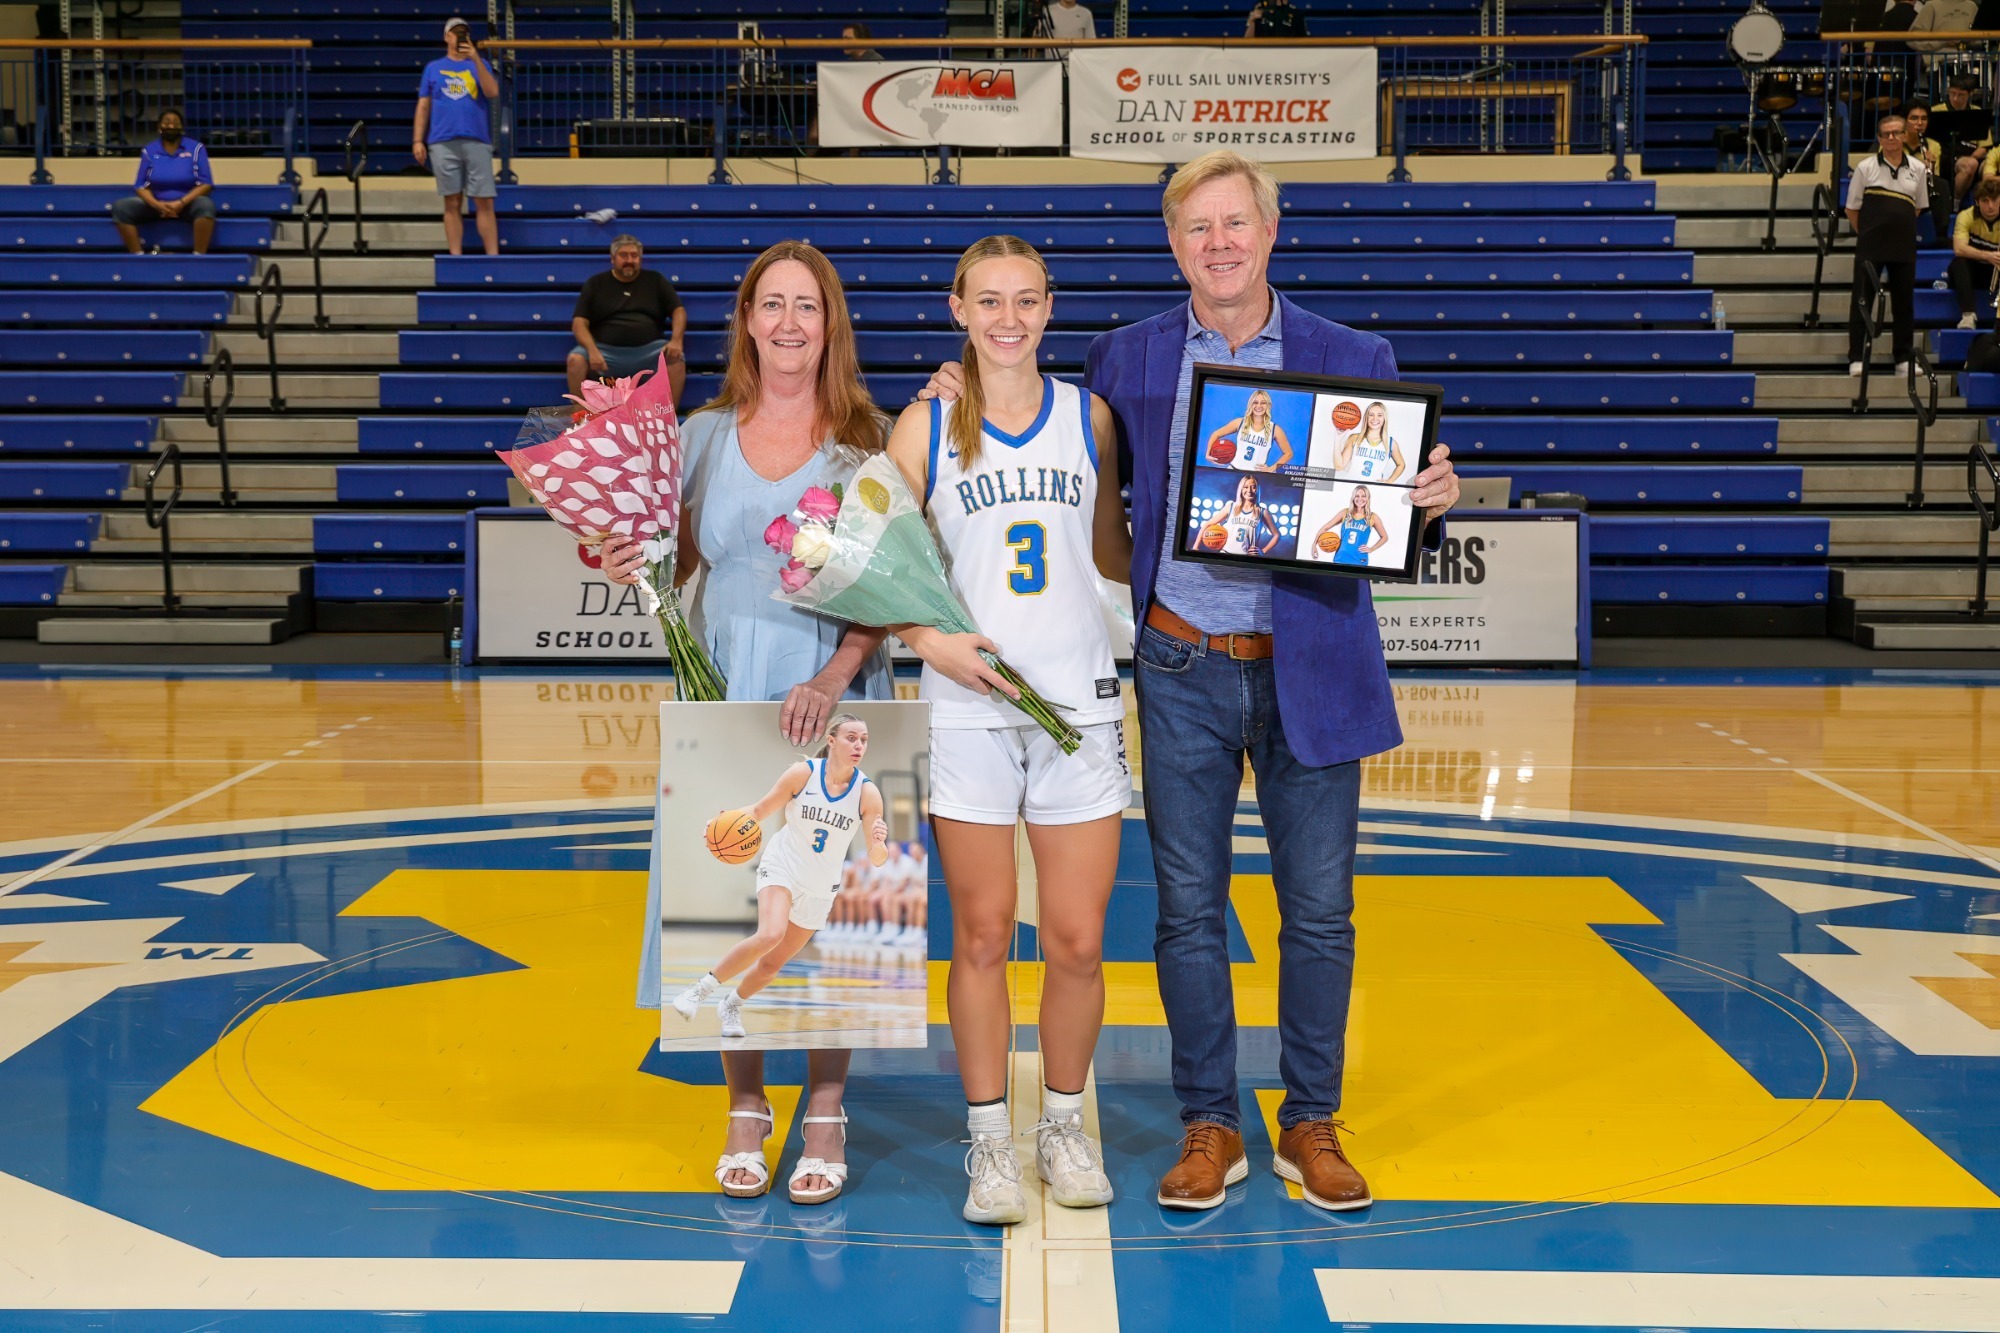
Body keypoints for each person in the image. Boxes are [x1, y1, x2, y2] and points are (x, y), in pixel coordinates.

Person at [919, 149, 1461, 1216]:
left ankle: (1309, 1116)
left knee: (1316, 912)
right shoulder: (1124, 357)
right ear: (1172, 244)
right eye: (1194, 228)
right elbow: (1042, 426)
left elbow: (1381, 509)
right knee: (1184, 913)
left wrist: (1426, 496)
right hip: (1177, 665)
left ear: (1269, 231)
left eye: (1233, 223)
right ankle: (1207, 1117)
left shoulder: (1352, 353)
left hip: (1310, 665)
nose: (1216, 243)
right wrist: (955, 385)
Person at [600, 240, 896, 1207]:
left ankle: (825, 1108)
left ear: (830, 323)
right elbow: (673, 562)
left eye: (806, 306)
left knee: (830, 907)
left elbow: (889, 590)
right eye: (770, 305)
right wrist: (624, 565)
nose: (787, 324)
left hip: (830, 690)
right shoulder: (702, 434)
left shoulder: (866, 442)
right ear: (745, 321)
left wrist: (840, 670)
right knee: (723, 893)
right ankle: (744, 1105)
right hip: (722, 686)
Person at [884, 234, 1132, 1227]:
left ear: (1048, 305)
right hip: (966, 712)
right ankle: (989, 1143)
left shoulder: (1091, 418)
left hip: (1074, 706)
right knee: (983, 934)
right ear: (956, 309)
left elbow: (1112, 552)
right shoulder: (923, 425)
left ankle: (1061, 1126)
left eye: (1025, 299)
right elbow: (868, 557)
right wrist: (922, 639)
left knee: (1074, 939)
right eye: (987, 301)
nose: (1007, 318)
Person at [671, 716, 889, 1055]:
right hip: (782, 866)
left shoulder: (867, 792)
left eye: (864, 739)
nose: (859, 745)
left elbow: (877, 858)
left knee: (773, 963)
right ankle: (697, 991)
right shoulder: (803, 774)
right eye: (851, 738)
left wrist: (878, 843)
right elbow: (758, 810)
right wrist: (719, 824)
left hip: (820, 887)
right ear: (831, 741)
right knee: (769, 934)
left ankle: (731, 1005)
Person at [1847, 113, 1927, 375]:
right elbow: (1852, 208)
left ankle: (1903, 358)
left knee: (1904, 303)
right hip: (1871, 245)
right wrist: (1869, 233)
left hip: (1903, 247)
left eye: (1896, 133)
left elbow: (1916, 208)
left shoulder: (1918, 168)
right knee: (1862, 300)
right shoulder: (1865, 168)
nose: (1891, 138)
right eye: (1886, 134)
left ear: (1905, 136)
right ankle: (1857, 357)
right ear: (1879, 138)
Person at [414, 18, 500, 258]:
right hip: (442, 141)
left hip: (476, 139)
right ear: (446, 37)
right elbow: (423, 106)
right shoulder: (433, 68)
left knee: (484, 201)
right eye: (454, 34)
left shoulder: (479, 63)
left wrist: (475, 58)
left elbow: (492, 91)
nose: (459, 38)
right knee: (451, 202)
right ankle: (455, 256)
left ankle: (493, 256)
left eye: (463, 34)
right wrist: (417, 140)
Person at [569, 235, 687, 403]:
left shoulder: (655, 280)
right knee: (576, 360)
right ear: (612, 259)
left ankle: (669, 419)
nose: (629, 260)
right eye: (624, 255)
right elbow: (579, 322)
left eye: (634, 255)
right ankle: (579, 417)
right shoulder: (596, 283)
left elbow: (678, 310)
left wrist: (676, 340)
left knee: (676, 358)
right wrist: (592, 350)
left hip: (648, 352)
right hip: (605, 353)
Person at [111, 110, 215, 255]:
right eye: (166, 122)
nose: (171, 125)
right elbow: (141, 186)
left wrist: (180, 203)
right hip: (157, 205)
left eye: (175, 122)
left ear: (181, 127)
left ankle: (199, 256)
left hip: (187, 204)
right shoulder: (149, 150)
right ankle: (138, 256)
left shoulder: (196, 148)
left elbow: (206, 183)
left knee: (205, 205)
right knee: (121, 207)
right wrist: (157, 205)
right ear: (159, 127)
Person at [1949, 177, 2000, 327]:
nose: (1990, 206)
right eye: (1985, 201)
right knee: (1958, 263)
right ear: (1977, 202)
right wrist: (1988, 256)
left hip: (1995, 272)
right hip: (1974, 272)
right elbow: (1959, 249)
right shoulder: (1966, 216)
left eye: (1995, 200)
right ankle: (1968, 315)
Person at [1930, 74, 1990, 200]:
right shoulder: (1936, 111)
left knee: (1979, 165)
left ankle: (1981, 201)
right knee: (1970, 164)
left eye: (1961, 95)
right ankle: (1953, 203)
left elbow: (1985, 147)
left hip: (1970, 158)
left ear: (1971, 94)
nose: (1955, 98)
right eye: (1952, 93)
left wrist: (1972, 157)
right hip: (1944, 159)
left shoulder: (1977, 113)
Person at [1205, 388, 1293, 470]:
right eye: (1255, 402)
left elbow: (1288, 453)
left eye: (1263, 402)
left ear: (1268, 405)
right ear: (1250, 404)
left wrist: (1271, 468)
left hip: (1256, 474)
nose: (1259, 406)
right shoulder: (1239, 422)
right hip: (1233, 469)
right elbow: (1216, 434)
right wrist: (1208, 454)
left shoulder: (1275, 429)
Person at [1314, 485, 1389, 566]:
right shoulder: (1345, 513)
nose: (1360, 499)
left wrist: (1372, 549)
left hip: (1359, 560)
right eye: (1357, 496)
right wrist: (1314, 545)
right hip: (1340, 558)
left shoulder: (1373, 517)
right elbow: (1326, 527)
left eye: (1363, 496)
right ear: (1353, 498)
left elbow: (1385, 537)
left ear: (1368, 498)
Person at [1336, 401, 1407, 483]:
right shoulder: (1354, 438)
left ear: (1384, 418)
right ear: (1366, 417)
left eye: (1379, 415)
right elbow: (1339, 466)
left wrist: (1389, 481)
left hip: (1374, 488)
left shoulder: (1391, 443)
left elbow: (1401, 464)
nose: (1375, 418)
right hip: (1351, 484)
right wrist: (1337, 439)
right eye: (1371, 415)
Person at [1212, 474, 1282, 555]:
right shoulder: (1231, 507)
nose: (1249, 490)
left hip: (1247, 557)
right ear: (1241, 489)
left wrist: (1263, 551)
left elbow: (1277, 535)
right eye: (1245, 487)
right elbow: (1208, 524)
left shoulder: (1262, 512)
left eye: (1253, 487)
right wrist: (1196, 547)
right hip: (1225, 553)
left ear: (1257, 489)